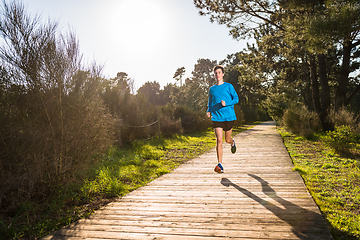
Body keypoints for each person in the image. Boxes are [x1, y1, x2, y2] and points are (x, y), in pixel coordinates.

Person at [207, 65, 239, 173]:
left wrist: (227, 103)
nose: (217, 75)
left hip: (228, 116)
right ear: (214, 75)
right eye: (216, 73)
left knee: (226, 140)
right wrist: (208, 110)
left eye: (219, 72)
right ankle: (219, 164)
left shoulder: (229, 86)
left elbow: (236, 99)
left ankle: (232, 142)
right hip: (216, 117)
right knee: (219, 140)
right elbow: (210, 101)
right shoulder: (212, 89)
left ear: (223, 74)